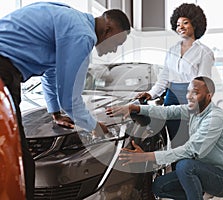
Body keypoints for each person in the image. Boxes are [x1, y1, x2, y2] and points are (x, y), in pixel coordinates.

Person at [0, 2, 130, 199]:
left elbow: (51, 74)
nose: (114, 50)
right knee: (19, 161)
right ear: (109, 30)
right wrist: (94, 126)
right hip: (3, 70)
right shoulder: (82, 35)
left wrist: (55, 113)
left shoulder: (70, 19)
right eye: (117, 43)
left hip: (6, 67)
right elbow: (70, 98)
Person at [106, 76, 223, 200]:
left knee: (185, 165)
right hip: (204, 170)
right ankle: (198, 192)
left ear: (209, 96)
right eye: (188, 92)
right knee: (159, 186)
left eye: (195, 92)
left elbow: (191, 150)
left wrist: (146, 156)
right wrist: (134, 107)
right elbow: (168, 111)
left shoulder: (214, 118)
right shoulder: (194, 110)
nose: (189, 96)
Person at [136, 3, 215, 148]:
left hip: (191, 98)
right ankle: (177, 168)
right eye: (178, 24)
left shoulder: (204, 52)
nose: (181, 27)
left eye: (185, 23)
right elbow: (164, 78)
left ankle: (188, 169)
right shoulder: (171, 51)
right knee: (175, 140)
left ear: (195, 25)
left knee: (190, 141)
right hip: (171, 97)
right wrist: (151, 93)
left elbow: (203, 82)